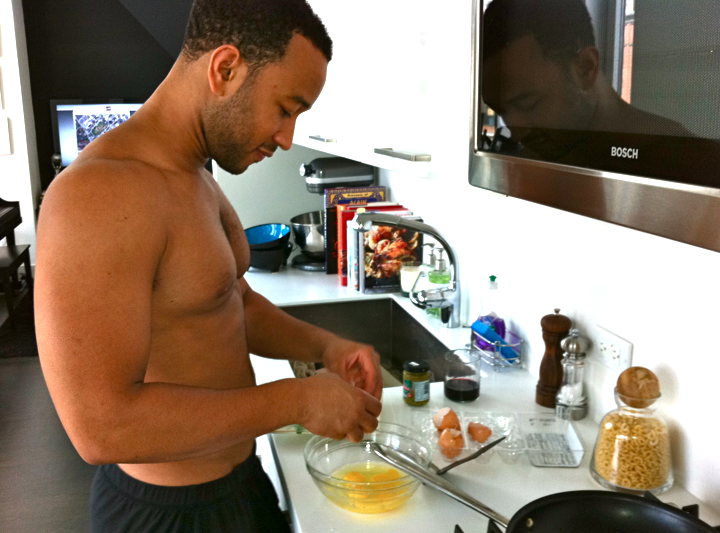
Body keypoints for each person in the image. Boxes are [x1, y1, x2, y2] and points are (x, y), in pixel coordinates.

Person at [34, 1, 383, 531]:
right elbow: (101, 427)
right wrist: (295, 400)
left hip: (239, 482)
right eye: (285, 109)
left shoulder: (195, 173)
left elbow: (232, 301)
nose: (287, 137)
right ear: (225, 69)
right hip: (167, 515)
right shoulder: (99, 192)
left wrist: (326, 347)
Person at [481, 0, 692, 165]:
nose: (516, 134)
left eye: (528, 104)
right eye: (500, 111)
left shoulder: (686, 160)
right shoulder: (536, 156)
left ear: (585, 68)